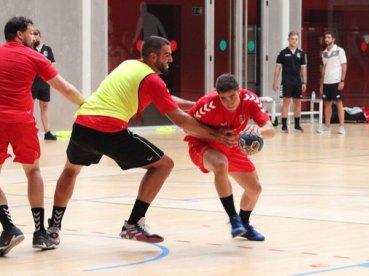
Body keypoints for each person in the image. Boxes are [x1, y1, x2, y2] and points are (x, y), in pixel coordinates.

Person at [47, 36, 235, 246]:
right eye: (167, 55)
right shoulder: (152, 80)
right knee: (164, 165)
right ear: (153, 56)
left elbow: (167, 99)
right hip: (109, 129)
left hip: (83, 124)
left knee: (70, 171)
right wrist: (217, 135)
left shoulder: (129, 66)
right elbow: (181, 121)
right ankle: (133, 224)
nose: (171, 60)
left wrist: (196, 106)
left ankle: (53, 229)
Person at [0, 16, 85, 257]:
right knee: (33, 172)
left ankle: (8, 228)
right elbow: (66, 89)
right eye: (31, 32)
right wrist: (88, 105)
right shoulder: (36, 56)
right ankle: (40, 233)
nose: (35, 37)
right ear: (19, 34)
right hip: (22, 122)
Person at [184, 73, 276, 241]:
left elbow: (271, 130)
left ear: (239, 91)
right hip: (202, 143)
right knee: (220, 164)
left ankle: (244, 224)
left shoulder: (251, 100)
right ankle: (233, 218)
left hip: (231, 144)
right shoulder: (207, 104)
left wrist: (258, 131)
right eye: (224, 98)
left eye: (232, 96)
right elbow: (186, 128)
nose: (229, 102)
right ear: (218, 95)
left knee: (255, 189)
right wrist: (214, 134)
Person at [272, 31, 307, 133]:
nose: (294, 41)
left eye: (296, 39)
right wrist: (275, 82)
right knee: (286, 102)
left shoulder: (301, 53)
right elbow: (277, 68)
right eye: (292, 39)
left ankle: (297, 125)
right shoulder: (282, 53)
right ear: (288, 39)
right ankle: (284, 126)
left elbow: (303, 69)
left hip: (297, 83)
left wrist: (304, 82)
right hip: (286, 82)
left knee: (297, 103)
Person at [317, 30, 347, 135]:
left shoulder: (340, 50)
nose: (326, 39)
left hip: (336, 81)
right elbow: (324, 68)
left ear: (333, 39)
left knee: (339, 103)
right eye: (325, 37)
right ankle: (327, 127)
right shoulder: (324, 53)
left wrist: (342, 81)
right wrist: (321, 84)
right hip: (326, 82)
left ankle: (342, 126)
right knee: (327, 104)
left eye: (328, 37)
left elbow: (344, 66)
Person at [31, 29, 57, 140]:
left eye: (36, 34)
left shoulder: (47, 49)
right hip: (32, 82)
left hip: (45, 82)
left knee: (44, 107)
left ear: (40, 36)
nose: (34, 37)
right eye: (32, 34)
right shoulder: (28, 49)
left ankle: (47, 132)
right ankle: (30, 132)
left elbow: (52, 65)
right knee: (29, 107)